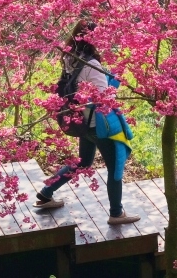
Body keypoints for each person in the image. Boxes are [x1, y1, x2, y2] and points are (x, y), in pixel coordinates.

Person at [34, 22, 140, 225]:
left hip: (81, 120)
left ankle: (46, 192)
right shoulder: (92, 65)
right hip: (97, 124)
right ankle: (116, 213)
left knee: (83, 162)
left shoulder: (69, 57)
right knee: (115, 167)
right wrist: (114, 83)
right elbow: (103, 98)